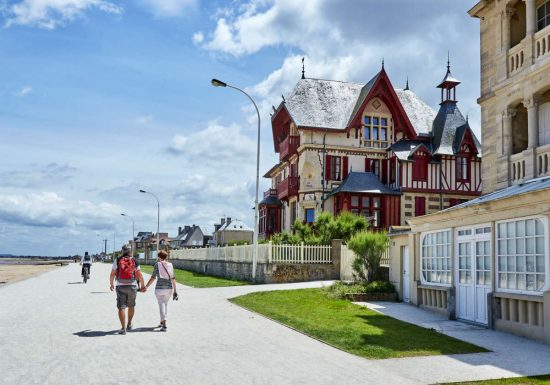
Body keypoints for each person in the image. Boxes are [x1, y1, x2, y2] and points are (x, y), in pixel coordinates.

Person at [109, 246, 146, 335]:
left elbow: (112, 274)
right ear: (130, 251)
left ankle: (123, 328)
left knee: (121, 307)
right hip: (132, 285)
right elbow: (139, 275)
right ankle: (129, 324)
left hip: (120, 286)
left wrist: (111, 284)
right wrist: (142, 285)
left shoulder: (117, 260)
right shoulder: (135, 260)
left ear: (122, 251)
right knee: (131, 305)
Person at [144, 250, 178, 332]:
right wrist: (175, 291)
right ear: (166, 257)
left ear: (159, 257)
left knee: (161, 305)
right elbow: (173, 278)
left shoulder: (157, 264)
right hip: (169, 288)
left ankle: (164, 325)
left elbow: (153, 277)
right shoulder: (170, 265)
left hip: (159, 288)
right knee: (165, 305)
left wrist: (146, 286)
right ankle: (162, 322)